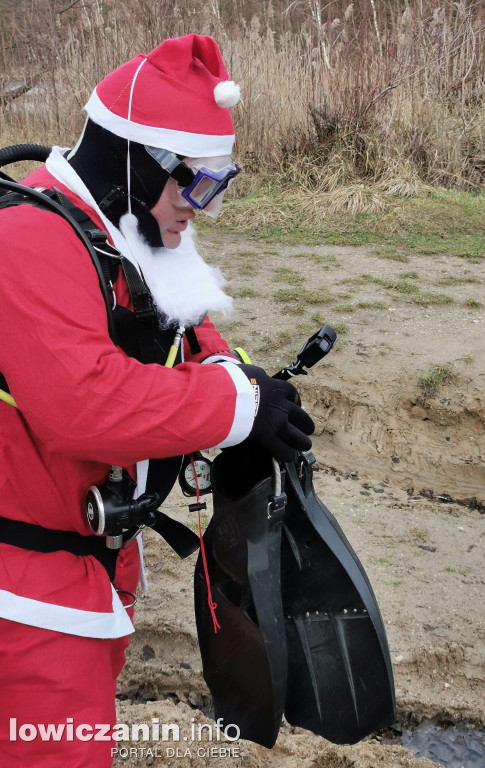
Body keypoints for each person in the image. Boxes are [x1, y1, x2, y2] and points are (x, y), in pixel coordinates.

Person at [0, 34, 314, 767]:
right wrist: (234, 404)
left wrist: (247, 384)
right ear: (133, 165)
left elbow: (180, 325)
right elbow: (89, 404)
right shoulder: (26, 242)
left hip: (87, 573)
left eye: (219, 185)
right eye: (195, 186)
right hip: (24, 597)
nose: (201, 210)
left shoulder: (120, 232)